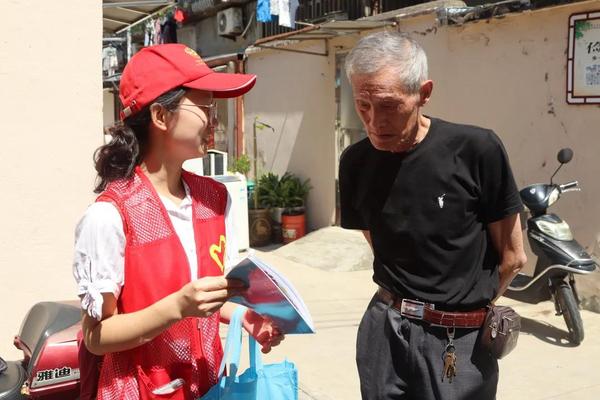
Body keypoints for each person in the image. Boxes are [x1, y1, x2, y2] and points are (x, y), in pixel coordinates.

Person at [73, 44, 284, 400]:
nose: (215, 121)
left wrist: (243, 318)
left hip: (207, 386)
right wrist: (176, 308)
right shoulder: (110, 215)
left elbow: (204, 300)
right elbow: (96, 336)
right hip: (139, 390)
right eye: (205, 108)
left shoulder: (214, 198)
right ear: (160, 116)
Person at [339, 31, 527, 400]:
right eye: (363, 105)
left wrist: (463, 313)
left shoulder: (477, 151)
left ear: (423, 93)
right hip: (384, 331)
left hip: (460, 343)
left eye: (389, 105)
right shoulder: (355, 163)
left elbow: (513, 258)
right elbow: (383, 248)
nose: (374, 121)